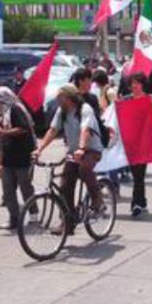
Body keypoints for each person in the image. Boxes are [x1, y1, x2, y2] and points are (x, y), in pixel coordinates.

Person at [33, 84, 105, 235]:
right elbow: (52, 130)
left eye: (60, 97)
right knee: (65, 185)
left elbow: (85, 129)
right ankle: (67, 222)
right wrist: (39, 149)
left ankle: (97, 198)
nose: (57, 100)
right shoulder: (62, 111)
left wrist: (81, 148)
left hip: (91, 149)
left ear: (69, 97)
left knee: (84, 169)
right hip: (74, 151)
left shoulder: (85, 109)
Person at [0, 87, 38, 231]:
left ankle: (33, 213)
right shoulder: (5, 112)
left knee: (25, 186)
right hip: (9, 155)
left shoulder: (16, 109)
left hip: (22, 154)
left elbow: (23, 128)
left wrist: (3, 132)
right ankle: (14, 218)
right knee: (8, 188)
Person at [121, 72, 152, 217]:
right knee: (136, 175)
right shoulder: (125, 100)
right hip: (130, 143)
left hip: (144, 142)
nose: (134, 86)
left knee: (139, 175)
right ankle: (142, 200)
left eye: (137, 82)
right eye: (132, 83)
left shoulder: (148, 100)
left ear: (142, 84)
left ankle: (136, 204)